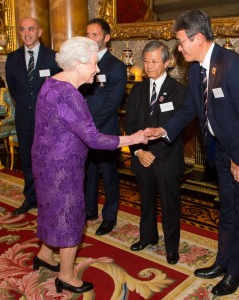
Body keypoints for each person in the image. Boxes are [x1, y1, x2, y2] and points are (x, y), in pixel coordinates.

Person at [31, 36, 147, 294]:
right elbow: (93, 138)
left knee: (52, 210)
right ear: (77, 64)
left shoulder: (50, 84)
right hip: (62, 168)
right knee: (70, 217)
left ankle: (45, 256)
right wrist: (134, 138)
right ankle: (66, 275)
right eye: (94, 63)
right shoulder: (69, 95)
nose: (97, 69)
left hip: (44, 161)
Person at [144, 10, 239, 296]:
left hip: (236, 153)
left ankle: (235, 270)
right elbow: (190, 109)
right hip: (219, 151)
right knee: (227, 210)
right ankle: (223, 261)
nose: (179, 48)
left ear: (198, 38)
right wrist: (164, 131)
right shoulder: (197, 68)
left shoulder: (232, 65)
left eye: (182, 42)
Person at [125, 41, 187, 265]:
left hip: (167, 158)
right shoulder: (139, 89)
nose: (149, 66)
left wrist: (155, 152)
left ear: (167, 63)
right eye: (146, 61)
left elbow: (177, 126)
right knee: (146, 202)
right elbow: (130, 122)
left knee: (170, 207)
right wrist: (140, 151)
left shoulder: (179, 91)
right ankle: (147, 238)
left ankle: (172, 248)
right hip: (142, 157)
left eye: (154, 61)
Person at [6, 17, 60, 215]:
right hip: (24, 118)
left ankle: (49, 198)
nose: (26, 33)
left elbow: (59, 87)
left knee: (48, 159)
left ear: (40, 32)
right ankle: (31, 198)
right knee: (27, 159)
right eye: (22, 29)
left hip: (48, 120)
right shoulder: (12, 58)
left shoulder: (53, 57)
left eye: (31, 29)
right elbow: (14, 88)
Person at [80, 18, 127, 236]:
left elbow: (112, 104)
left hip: (105, 131)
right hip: (84, 130)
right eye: (87, 34)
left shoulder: (116, 66)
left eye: (95, 35)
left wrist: (88, 126)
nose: (90, 39)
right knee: (88, 173)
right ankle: (90, 211)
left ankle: (109, 217)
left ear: (106, 38)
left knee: (109, 176)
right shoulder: (81, 62)